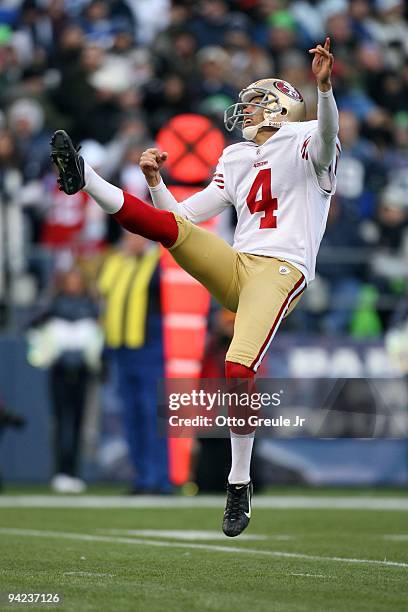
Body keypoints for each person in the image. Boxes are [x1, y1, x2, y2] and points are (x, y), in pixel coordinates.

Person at [50, 38, 340, 535]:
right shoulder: (235, 157)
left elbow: (330, 131)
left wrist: (325, 87)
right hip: (238, 264)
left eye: (253, 103)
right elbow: (183, 218)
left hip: (281, 271)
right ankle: (86, 177)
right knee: (168, 232)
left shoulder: (308, 137)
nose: (244, 111)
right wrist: (157, 183)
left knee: (236, 366)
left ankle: (238, 482)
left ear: (279, 107)